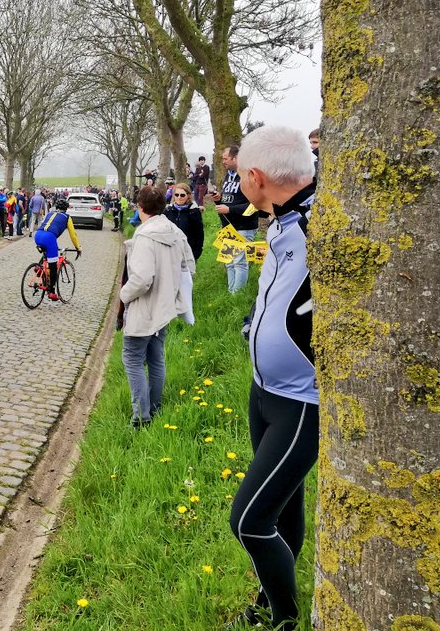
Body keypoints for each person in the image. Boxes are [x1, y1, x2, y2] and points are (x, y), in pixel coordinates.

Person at [227, 125, 316, 631]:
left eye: (240, 177)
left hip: (302, 401)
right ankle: (270, 597)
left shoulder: (320, 223)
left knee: (249, 519)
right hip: (264, 392)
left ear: (256, 177)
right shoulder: (281, 218)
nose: (239, 186)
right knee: (282, 511)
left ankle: (283, 619)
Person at [117, 187, 195, 428]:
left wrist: (123, 294)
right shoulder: (175, 231)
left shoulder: (144, 236)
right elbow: (189, 267)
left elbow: (141, 279)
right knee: (156, 358)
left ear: (141, 208)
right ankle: (155, 407)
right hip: (165, 307)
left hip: (143, 307)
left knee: (132, 359)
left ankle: (141, 417)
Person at [209, 144, 261, 293]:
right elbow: (229, 200)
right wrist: (219, 200)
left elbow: (255, 204)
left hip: (244, 227)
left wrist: (230, 209)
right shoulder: (228, 176)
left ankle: (237, 296)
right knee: (229, 262)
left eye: (226, 158)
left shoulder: (248, 176)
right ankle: (231, 292)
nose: (223, 162)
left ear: (236, 158)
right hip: (228, 226)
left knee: (239, 262)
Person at [33, 199, 82, 301]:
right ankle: (52, 291)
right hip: (49, 237)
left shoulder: (50, 213)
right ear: (66, 208)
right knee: (53, 265)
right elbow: (73, 235)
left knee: (47, 252)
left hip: (38, 235)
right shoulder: (67, 217)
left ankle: (39, 268)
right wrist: (78, 247)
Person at [164, 182, 205, 262]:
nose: (179, 197)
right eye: (176, 195)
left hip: (188, 253)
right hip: (170, 253)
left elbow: (199, 234)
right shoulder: (168, 211)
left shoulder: (194, 212)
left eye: (182, 195)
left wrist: (196, 253)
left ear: (188, 196)